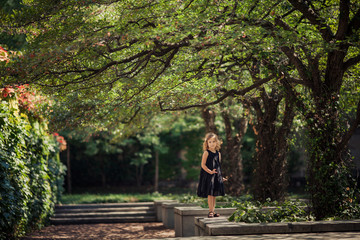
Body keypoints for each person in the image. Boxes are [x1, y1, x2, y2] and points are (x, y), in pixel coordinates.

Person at [197, 132, 227, 218]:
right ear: (207, 143)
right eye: (210, 142)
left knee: (214, 194)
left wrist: (221, 177)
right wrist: (210, 171)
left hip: (216, 175)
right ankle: (210, 211)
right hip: (208, 175)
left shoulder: (218, 154)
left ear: (217, 142)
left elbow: (218, 166)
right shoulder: (206, 153)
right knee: (210, 194)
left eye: (213, 141)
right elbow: (203, 165)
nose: (212, 143)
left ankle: (213, 211)